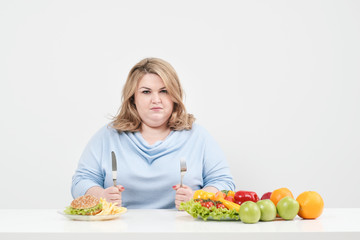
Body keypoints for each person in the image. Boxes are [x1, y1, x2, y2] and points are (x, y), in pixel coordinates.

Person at [71, 57, 235, 209]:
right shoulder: (108, 135)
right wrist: (101, 195)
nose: (156, 99)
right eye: (146, 92)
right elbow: (80, 182)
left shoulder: (198, 136)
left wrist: (198, 198)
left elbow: (224, 183)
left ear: (174, 96)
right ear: (133, 98)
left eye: (164, 91)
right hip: (119, 231)